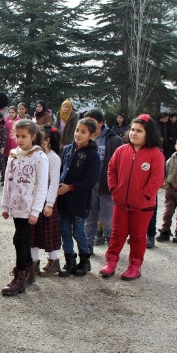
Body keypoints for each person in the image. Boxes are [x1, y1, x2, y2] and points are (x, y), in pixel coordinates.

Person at [100, 114, 164, 280]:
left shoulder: (155, 154)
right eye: (133, 130)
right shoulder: (121, 150)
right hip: (121, 202)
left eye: (139, 131)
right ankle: (111, 262)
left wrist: (145, 195)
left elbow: (157, 178)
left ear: (148, 133)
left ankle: (135, 266)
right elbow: (111, 170)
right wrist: (115, 189)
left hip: (143, 205)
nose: (134, 133)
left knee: (137, 236)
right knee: (117, 234)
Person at [0, 120, 48, 295]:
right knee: (22, 239)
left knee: (19, 239)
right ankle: (28, 272)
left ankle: (20, 276)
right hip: (15, 206)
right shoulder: (13, 154)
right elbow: (7, 181)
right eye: (17, 136)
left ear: (33, 136)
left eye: (24, 136)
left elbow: (42, 185)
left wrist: (36, 210)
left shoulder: (39, 156)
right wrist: (5, 205)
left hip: (29, 208)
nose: (20, 140)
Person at [57, 118, 100, 277]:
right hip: (63, 199)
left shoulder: (92, 155)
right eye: (77, 130)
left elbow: (90, 181)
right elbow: (61, 171)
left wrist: (70, 188)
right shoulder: (68, 149)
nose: (78, 134)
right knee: (64, 231)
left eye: (83, 132)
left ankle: (84, 260)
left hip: (79, 200)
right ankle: (70, 261)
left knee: (78, 232)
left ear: (91, 135)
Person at [84, 109, 123, 251]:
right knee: (89, 218)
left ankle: (112, 250)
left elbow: (120, 163)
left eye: (92, 122)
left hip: (107, 185)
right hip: (89, 185)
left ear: (101, 123)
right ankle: (87, 247)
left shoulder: (113, 139)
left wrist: (117, 185)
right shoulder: (85, 137)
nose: (89, 125)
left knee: (108, 219)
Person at [32, 124, 62, 277]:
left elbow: (54, 182)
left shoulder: (54, 158)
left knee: (47, 234)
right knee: (33, 233)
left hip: (46, 202)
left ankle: (54, 260)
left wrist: (49, 204)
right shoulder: (36, 154)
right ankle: (33, 262)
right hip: (34, 200)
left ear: (47, 140)